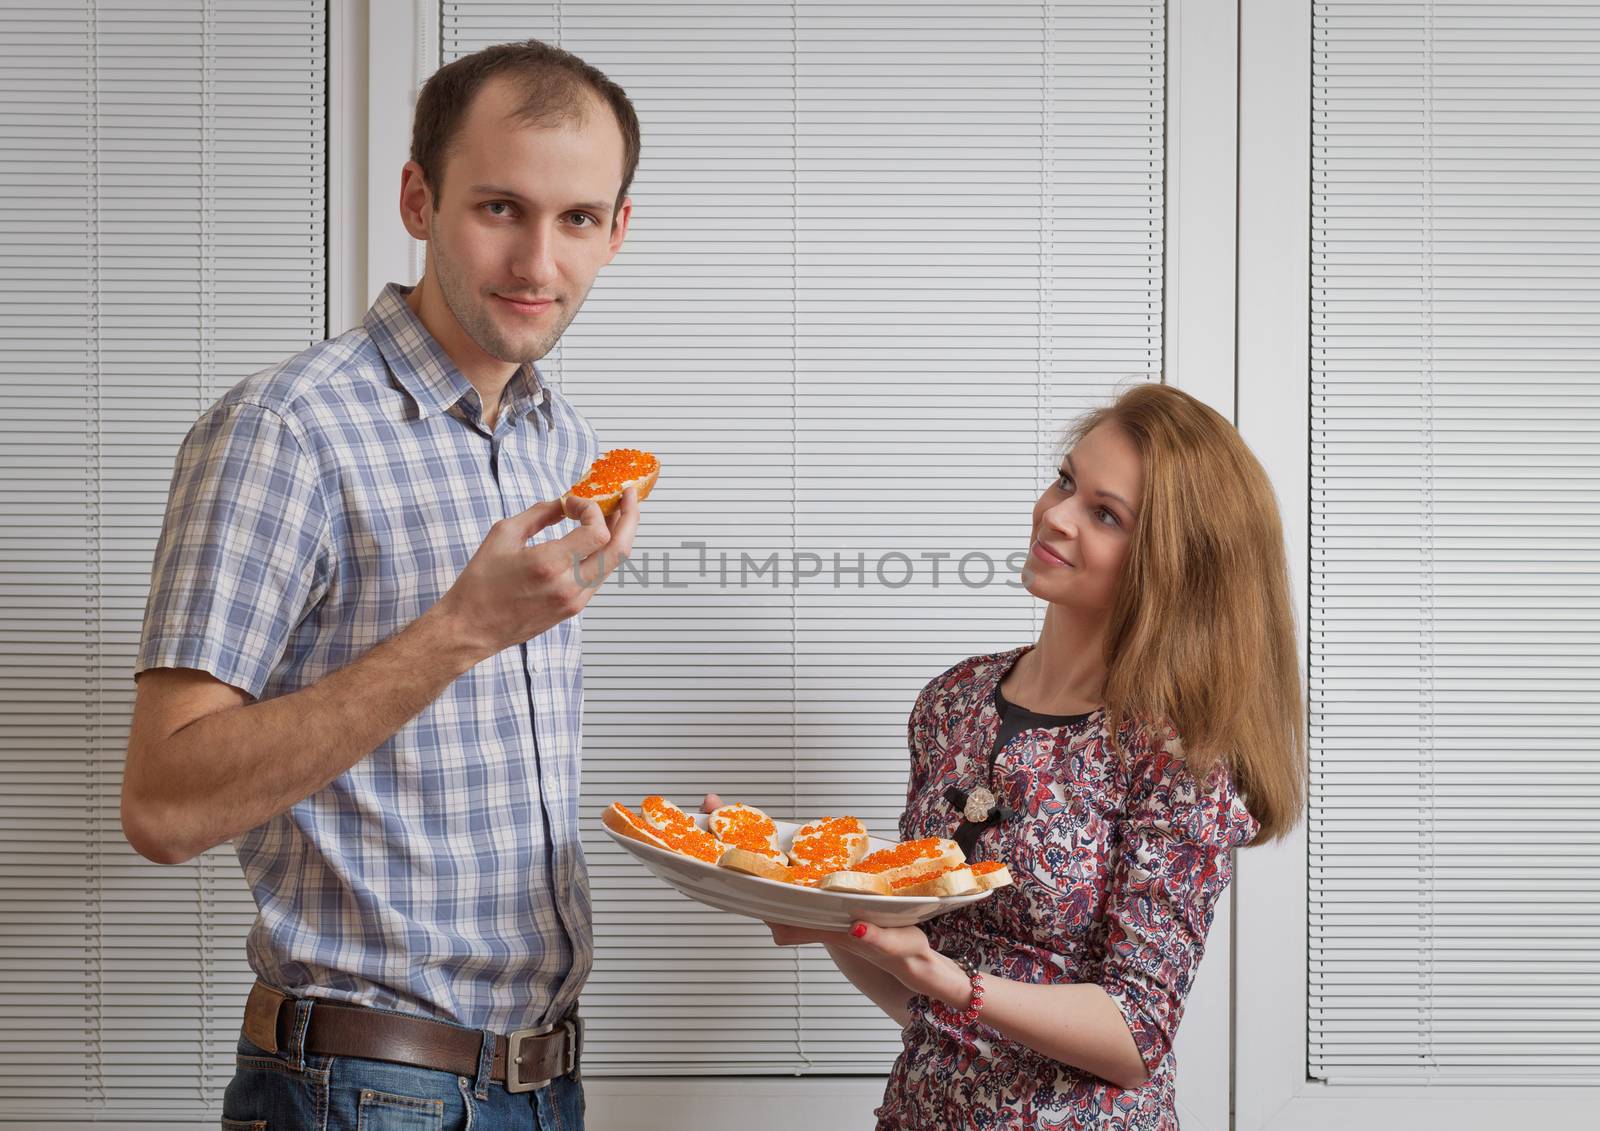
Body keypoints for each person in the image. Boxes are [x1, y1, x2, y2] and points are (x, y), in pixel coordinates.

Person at [121, 40, 640, 1129]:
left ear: (617, 230)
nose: (537, 260)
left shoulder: (562, 444)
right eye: (500, 207)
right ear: (418, 199)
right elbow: (163, 806)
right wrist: (460, 628)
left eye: (578, 218)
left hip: (540, 1085)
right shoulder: (285, 432)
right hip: (363, 1090)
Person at [712, 383, 1306, 1129]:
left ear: (1170, 563)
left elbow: (1136, 1035)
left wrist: (956, 982)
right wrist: (824, 903)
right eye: (1066, 480)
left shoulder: (1176, 760)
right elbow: (918, 986)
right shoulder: (951, 702)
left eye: (1104, 513)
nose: (1054, 514)